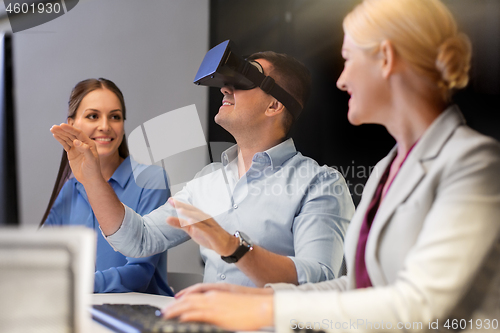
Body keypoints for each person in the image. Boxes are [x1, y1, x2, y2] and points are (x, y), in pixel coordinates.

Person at [162, 0, 500, 331]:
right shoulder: (388, 169)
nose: (341, 80)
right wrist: (249, 300)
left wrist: (267, 307)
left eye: (348, 60)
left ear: (386, 58)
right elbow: (355, 287)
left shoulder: (474, 163)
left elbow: (417, 306)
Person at [50, 52, 355, 288]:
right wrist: (91, 177)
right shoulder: (207, 181)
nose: (225, 87)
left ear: (274, 106)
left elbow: (320, 280)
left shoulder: (319, 184)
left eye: (242, 81)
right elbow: (139, 240)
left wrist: (233, 247)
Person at [42, 78, 173, 296]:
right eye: (93, 116)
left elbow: (139, 273)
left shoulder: (151, 180)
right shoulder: (71, 188)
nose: (105, 126)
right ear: (71, 124)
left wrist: (76, 284)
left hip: (140, 316)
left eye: (115, 117)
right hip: (85, 308)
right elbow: (43, 256)